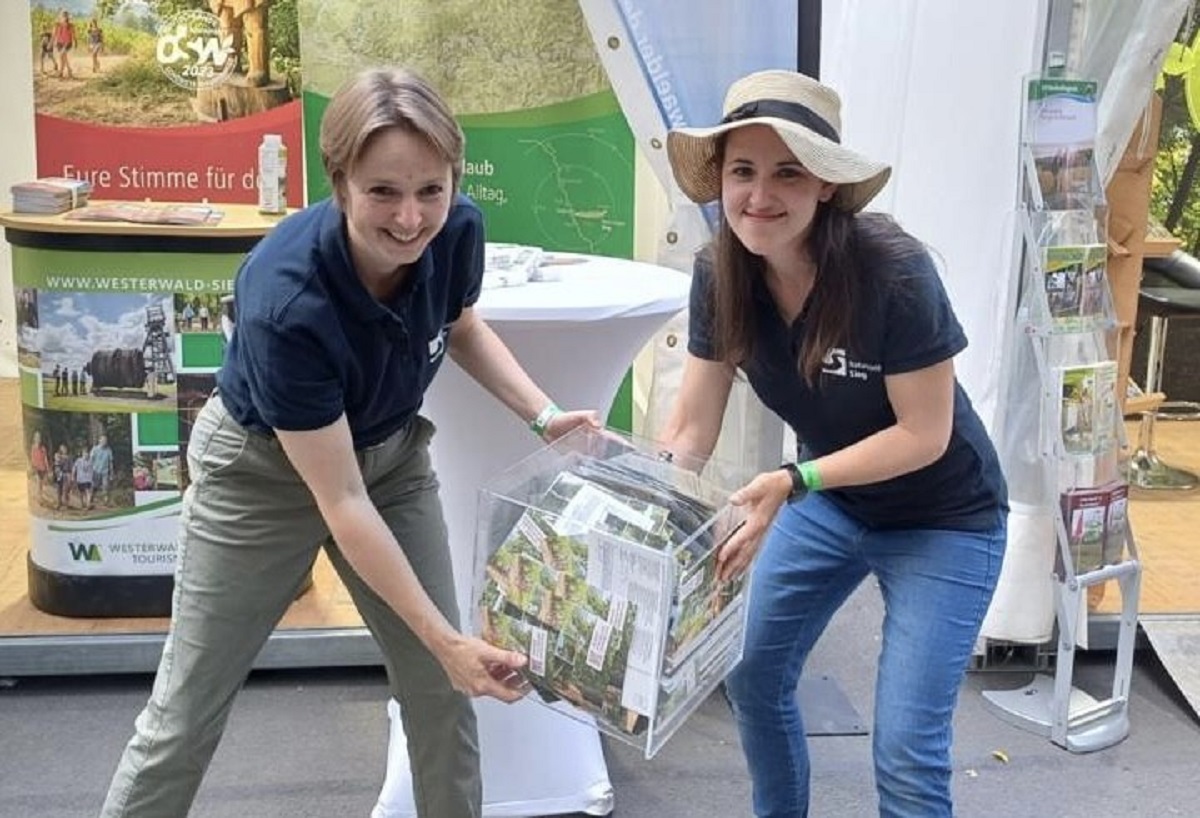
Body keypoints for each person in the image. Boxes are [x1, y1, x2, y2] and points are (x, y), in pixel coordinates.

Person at [99, 66, 599, 818]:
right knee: (186, 712)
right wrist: (445, 639)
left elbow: (459, 326)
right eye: (383, 193)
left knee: (439, 693)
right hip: (260, 476)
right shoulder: (286, 298)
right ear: (339, 181)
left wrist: (542, 413)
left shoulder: (456, 227)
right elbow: (340, 501)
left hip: (391, 460)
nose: (410, 218)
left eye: (431, 188)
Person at [657, 70, 1008, 818]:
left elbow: (924, 433)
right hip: (835, 501)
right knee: (752, 675)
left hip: (945, 517)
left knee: (906, 749)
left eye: (789, 172)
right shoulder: (718, 277)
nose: (760, 195)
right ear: (718, 181)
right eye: (742, 171)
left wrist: (790, 480)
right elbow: (690, 430)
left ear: (826, 186)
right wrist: (639, 519)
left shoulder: (893, 271)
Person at [90, 434, 114, 506]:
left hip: (105, 471)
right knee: (95, 486)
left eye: (105, 440)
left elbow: (110, 462)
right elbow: (91, 460)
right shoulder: (95, 449)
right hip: (96, 470)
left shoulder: (109, 450)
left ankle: (105, 501)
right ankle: (91, 498)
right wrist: (90, 471)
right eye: (103, 440)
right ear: (99, 440)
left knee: (105, 486)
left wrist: (111, 473)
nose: (104, 442)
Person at [52, 10, 76, 79]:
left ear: (67, 16)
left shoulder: (70, 25)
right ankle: (69, 70)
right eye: (63, 15)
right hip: (59, 43)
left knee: (61, 55)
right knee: (63, 58)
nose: (64, 16)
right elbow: (54, 34)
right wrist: (52, 43)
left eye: (66, 15)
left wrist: (75, 41)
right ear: (61, 16)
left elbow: (73, 34)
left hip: (68, 43)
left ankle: (60, 72)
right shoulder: (57, 24)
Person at [29, 430, 50, 504]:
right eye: (37, 437)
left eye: (39, 437)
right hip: (36, 467)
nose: (38, 439)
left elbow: (45, 458)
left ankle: (40, 496)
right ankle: (39, 499)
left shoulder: (43, 448)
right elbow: (32, 457)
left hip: (42, 468)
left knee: (41, 484)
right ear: (34, 438)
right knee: (38, 483)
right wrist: (32, 466)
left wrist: (47, 468)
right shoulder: (33, 447)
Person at [72, 445, 95, 509]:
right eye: (85, 453)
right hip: (80, 479)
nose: (86, 455)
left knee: (88, 491)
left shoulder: (90, 462)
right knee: (81, 492)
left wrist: (92, 478)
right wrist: (73, 476)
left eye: (87, 454)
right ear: (82, 454)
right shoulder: (78, 460)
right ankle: (82, 504)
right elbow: (74, 468)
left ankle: (88, 504)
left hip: (88, 479)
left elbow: (92, 470)